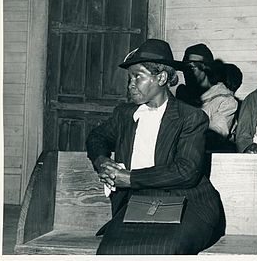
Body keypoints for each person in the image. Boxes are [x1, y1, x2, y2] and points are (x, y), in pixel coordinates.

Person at [86, 39, 224, 254]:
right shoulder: (126, 114)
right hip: (138, 202)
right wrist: (102, 161)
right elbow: (96, 137)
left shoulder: (190, 117)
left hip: (187, 202)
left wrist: (129, 178)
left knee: (166, 249)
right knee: (110, 251)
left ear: (161, 77)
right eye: (129, 77)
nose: (130, 84)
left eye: (137, 77)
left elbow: (186, 171)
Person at [177, 43, 238, 151]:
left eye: (192, 68)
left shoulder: (225, 101)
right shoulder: (183, 97)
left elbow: (216, 136)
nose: (187, 73)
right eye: (185, 69)